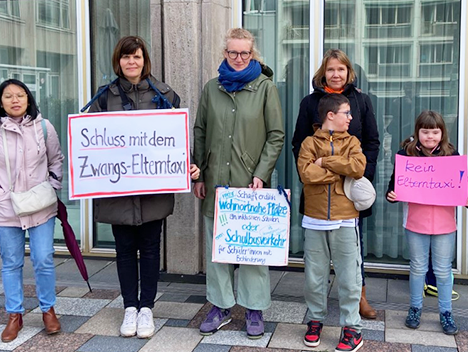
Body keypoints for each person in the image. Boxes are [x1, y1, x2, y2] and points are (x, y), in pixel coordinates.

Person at [88, 35, 200, 339]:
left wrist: (186, 164)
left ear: (144, 60)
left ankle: (147, 307)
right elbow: (90, 141)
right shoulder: (103, 98)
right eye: (126, 57)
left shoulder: (164, 95)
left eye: (136, 57)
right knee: (124, 250)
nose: (131, 62)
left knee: (151, 249)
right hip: (118, 191)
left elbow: (175, 139)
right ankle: (129, 308)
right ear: (118, 61)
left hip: (153, 190)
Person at [193, 28, 284, 339]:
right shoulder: (211, 88)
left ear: (252, 53)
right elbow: (200, 131)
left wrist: (260, 173)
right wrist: (201, 174)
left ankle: (253, 308)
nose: (239, 58)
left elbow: (276, 135)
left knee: (252, 250)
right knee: (218, 249)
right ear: (225, 53)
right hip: (216, 183)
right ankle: (220, 306)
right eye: (233, 52)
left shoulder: (265, 88)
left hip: (250, 186)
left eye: (244, 53)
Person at [0, 79, 64, 342]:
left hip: (40, 207)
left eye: (20, 95)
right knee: (11, 263)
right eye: (9, 96)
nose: (15, 100)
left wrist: (52, 187)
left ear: (28, 99)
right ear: (0, 101)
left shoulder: (44, 127)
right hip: (6, 211)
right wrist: (0, 197)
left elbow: (56, 159)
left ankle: (48, 310)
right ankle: (15, 315)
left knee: (44, 258)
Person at [291, 49, 380, 319]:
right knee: (317, 257)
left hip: (350, 192)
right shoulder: (310, 103)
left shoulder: (360, 101)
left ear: (348, 72)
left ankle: (359, 296)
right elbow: (300, 145)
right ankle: (318, 308)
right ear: (323, 72)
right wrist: (313, 176)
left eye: (341, 69)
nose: (336, 74)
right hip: (318, 194)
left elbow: (372, 143)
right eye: (331, 69)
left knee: (353, 248)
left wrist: (361, 181)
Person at [386, 110, 468, 335]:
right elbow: (394, 184)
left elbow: (463, 183)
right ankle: (415, 308)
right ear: (417, 132)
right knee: (417, 267)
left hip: (445, 223)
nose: (430, 137)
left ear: (442, 133)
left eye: (435, 132)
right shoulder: (406, 154)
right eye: (425, 132)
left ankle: (446, 312)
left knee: (443, 270)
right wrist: (392, 194)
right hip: (416, 221)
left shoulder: (451, 153)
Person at [297, 94, 366, 352]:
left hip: (345, 220)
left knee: (350, 277)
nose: (350, 118)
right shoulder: (308, 143)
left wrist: (325, 162)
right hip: (314, 220)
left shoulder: (353, 142)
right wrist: (339, 171)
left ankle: (352, 327)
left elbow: (358, 168)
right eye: (346, 113)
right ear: (330, 115)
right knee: (314, 277)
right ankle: (315, 320)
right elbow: (306, 173)